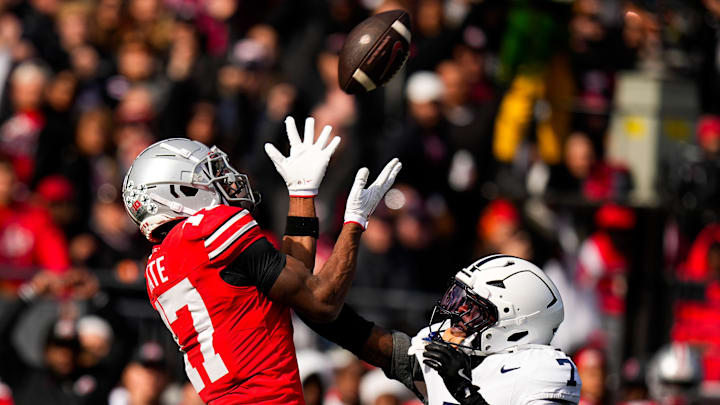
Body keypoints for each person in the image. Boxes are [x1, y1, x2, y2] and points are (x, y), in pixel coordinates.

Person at [121, 115, 401, 404]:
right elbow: (322, 301)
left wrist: (302, 193)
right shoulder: (210, 229)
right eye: (208, 174)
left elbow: (298, 284)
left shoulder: (159, 264)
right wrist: (355, 221)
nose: (224, 179)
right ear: (179, 191)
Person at [303, 254, 582, 405]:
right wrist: (302, 299)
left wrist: (466, 393)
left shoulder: (544, 371)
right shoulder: (448, 356)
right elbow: (364, 338)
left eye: (473, 309)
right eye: (460, 301)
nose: (457, 314)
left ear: (516, 325)